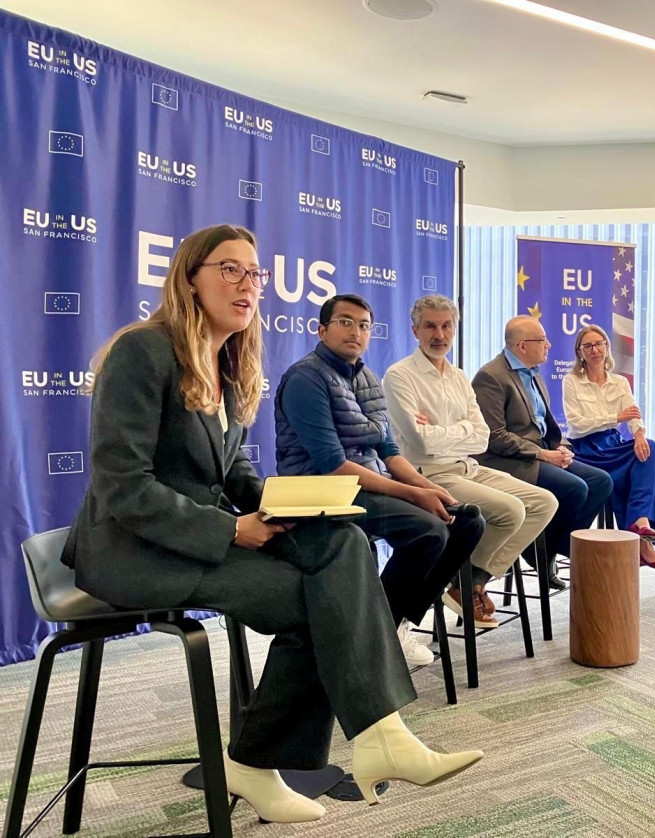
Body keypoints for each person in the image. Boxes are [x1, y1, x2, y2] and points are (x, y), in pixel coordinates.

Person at [61, 225, 482, 823]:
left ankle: (372, 737)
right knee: (319, 600)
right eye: (229, 269)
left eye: (253, 273)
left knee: (341, 538)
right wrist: (231, 530)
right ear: (189, 277)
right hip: (135, 550)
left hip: (197, 538)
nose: (247, 284)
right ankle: (276, 760)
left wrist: (290, 505)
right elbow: (122, 486)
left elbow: (235, 469)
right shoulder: (143, 350)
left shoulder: (225, 358)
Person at [274, 293, 485, 666]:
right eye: (345, 322)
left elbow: (390, 453)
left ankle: (388, 623)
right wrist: (413, 494)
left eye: (364, 325)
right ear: (322, 330)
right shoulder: (306, 379)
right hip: (321, 490)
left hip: (366, 484)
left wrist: (428, 487)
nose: (355, 331)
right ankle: (377, 633)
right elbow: (334, 466)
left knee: (467, 518)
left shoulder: (368, 378)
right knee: (428, 530)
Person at [383, 295, 558, 628]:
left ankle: (473, 579)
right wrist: (458, 431)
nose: (440, 334)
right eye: (430, 326)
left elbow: (481, 437)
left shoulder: (459, 376)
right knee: (512, 510)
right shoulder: (399, 376)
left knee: (544, 502)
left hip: (467, 467)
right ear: (415, 330)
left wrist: (442, 431)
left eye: (447, 325)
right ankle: (462, 582)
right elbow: (422, 443)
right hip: (426, 474)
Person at [472, 316, 612, 590]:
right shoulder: (491, 377)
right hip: (509, 461)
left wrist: (560, 448)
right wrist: (542, 454)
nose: (549, 344)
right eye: (542, 340)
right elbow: (494, 436)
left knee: (600, 482)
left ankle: (544, 549)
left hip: (540, 454)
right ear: (523, 346)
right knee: (575, 489)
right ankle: (541, 552)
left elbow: (543, 425)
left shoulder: (533, 372)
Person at [562, 325, 655, 571]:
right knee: (638, 467)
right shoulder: (571, 381)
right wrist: (616, 416)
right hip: (586, 450)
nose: (595, 349)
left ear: (607, 347)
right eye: (588, 346)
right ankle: (643, 540)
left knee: (649, 449)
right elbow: (578, 424)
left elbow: (633, 413)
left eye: (599, 343)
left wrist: (639, 434)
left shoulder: (620, 382)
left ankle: (639, 521)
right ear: (580, 352)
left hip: (612, 444)